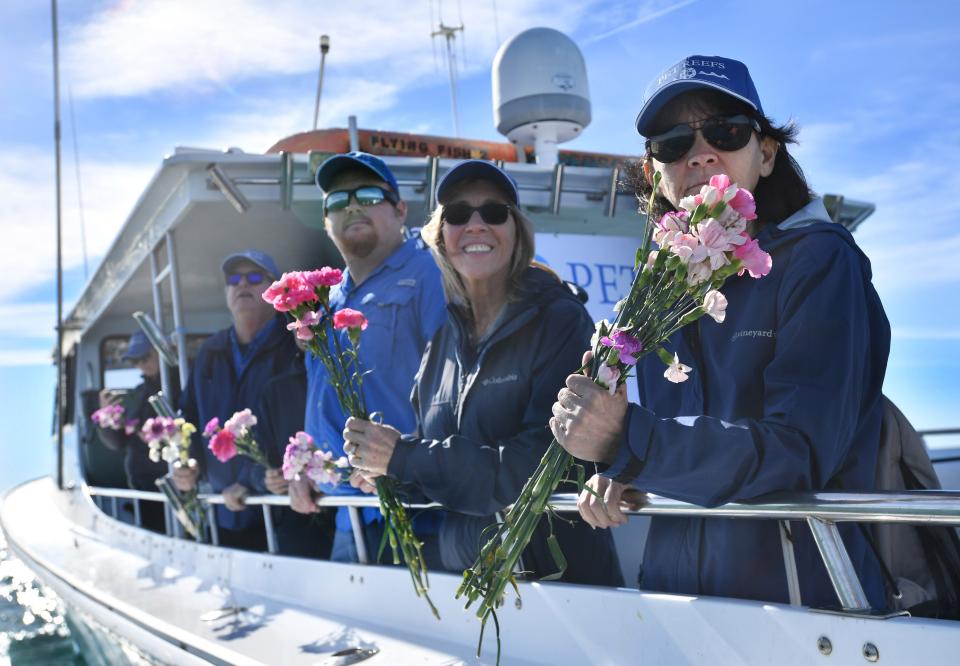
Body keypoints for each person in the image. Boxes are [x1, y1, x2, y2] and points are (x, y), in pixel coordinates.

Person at [550, 55, 891, 608]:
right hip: (676, 602)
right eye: (673, 141)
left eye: (726, 131)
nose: (700, 152)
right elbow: (679, 436)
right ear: (653, 168)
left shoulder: (821, 262)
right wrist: (624, 471)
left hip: (800, 605)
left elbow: (798, 453)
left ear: (767, 152)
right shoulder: (662, 286)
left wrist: (629, 442)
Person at [342, 160, 623, 585]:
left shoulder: (561, 321)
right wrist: (389, 472)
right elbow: (443, 462)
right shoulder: (441, 343)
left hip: (561, 584)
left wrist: (404, 457)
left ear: (517, 232)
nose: (475, 225)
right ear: (440, 236)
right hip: (466, 577)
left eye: (494, 212)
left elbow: (537, 467)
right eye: (457, 214)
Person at [298, 152, 447, 562]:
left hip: (419, 514)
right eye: (337, 200)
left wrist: (408, 461)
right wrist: (304, 469)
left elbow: (462, 384)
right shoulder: (328, 299)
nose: (351, 206)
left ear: (400, 209)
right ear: (327, 224)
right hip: (347, 516)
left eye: (367, 194)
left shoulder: (432, 273)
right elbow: (323, 400)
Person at [175, 249, 299, 551]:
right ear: (226, 291)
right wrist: (187, 462)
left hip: (284, 513)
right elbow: (188, 416)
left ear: (273, 290)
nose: (243, 284)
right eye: (234, 279)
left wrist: (250, 479)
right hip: (222, 514)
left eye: (255, 277)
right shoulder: (209, 352)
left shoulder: (293, 345)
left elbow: (298, 422)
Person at [252, 359, 336, 558]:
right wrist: (266, 479)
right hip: (298, 524)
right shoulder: (276, 389)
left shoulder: (351, 371)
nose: (302, 327)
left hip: (355, 513)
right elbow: (254, 464)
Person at [95, 330, 175, 532]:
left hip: (171, 484)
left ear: (162, 351)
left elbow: (180, 433)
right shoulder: (139, 393)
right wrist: (109, 419)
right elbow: (118, 442)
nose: (140, 364)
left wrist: (145, 433)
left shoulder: (182, 386)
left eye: (145, 357)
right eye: (134, 361)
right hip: (144, 486)